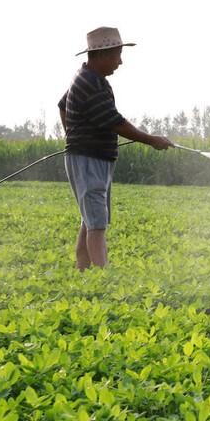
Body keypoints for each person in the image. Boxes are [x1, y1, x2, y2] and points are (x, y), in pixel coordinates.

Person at [58, 27, 172, 271]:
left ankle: (82, 271)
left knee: (90, 221)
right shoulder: (90, 83)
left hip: (92, 158)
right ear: (101, 55)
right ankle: (103, 279)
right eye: (116, 55)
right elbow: (114, 121)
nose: (120, 62)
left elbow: (62, 106)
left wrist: (73, 135)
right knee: (96, 224)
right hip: (88, 159)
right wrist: (151, 139)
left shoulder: (87, 78)